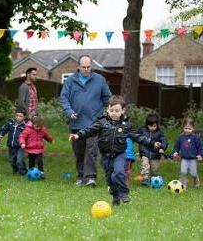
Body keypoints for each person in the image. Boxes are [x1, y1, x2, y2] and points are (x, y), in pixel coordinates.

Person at [69, 95, 161, 206]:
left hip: (120, 154)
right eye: (111, 110)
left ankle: (124, 192)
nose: (113, 113)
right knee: (110, 179)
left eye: (117, 111)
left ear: (123, 110)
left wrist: (152, 143)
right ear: (107, 109)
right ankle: (115, 196)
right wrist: (78, 135)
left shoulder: (126, 125)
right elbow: (89, 130)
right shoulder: (101, 123)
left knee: (118, 173)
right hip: (105, 156)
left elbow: (138, 137)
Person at [60, 54, 112, 186]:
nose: (86, 69)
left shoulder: (100, 80)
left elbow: (108, 98)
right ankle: (80, 175)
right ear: (78, 67)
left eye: (89, 66)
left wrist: (110, 112)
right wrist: (69, 111)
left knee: (91, 150)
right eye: (84, 67)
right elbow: (64, 98)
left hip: (94, 123)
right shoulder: (70, 80)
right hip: (76, 123)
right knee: (79, 151)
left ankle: (90, 177)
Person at [19, 114, 54, 178]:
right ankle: (30, 172)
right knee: (31, 162)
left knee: (40, 161)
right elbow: (22, 136)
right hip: (30, 149)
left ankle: (41, 173)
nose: (38, 128)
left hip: (39, 149)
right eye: (36, 126)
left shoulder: (42, 129)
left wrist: (51, 140)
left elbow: (46, 135)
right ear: (32, 124)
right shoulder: (28, 129)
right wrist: (22, 143)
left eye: (39, 127)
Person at [138, 113, 168, 186]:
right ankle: (145, 179)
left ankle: (153, 179)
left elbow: (164, 141)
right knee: (145, 164)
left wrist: (162, 147)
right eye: (150, 126)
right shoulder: (142, 130)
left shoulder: (160, 132)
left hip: (155, 154)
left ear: (157, 125)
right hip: (145, 152)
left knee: (154, 169)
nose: (152, 128)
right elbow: (137, 137)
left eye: (154, 126)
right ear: (147, 125)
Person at [172, 118, 203, 189]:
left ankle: (196, 179)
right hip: (184, 159)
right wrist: (175, 152)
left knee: (193, 173)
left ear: (193, 128)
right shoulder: (180, 137)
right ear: (183, 127)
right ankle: (184, 185)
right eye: (186, 128)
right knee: (183, 172)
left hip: (193, 159)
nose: (187, 130)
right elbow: (176, 146)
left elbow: (200, 147)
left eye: (190, 129)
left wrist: (200, 154)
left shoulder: (196, 137)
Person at [0, 107, 27, 175]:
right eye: (17, 115)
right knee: (12, 160)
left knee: (19, 161)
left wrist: (26, 143)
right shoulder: (11, 123)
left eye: (20, 116)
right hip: (11, 145)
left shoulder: (24, 126)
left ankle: (23, 172)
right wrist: (0, 134)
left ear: (24, 117)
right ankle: (15, 170)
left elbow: (27, 135)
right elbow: (4, 128)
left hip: (20, 146)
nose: (18, 117)